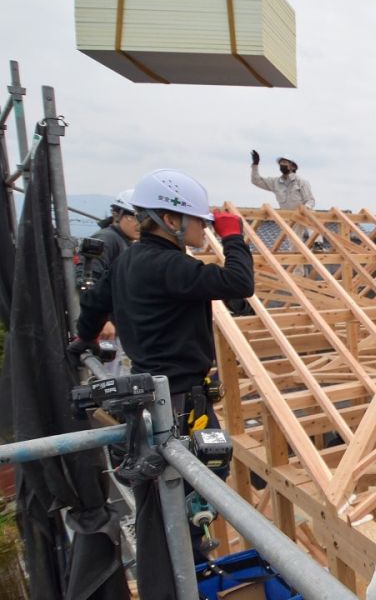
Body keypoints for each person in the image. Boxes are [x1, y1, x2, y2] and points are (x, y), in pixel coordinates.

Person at [71, 169, 255, 559]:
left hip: (150, 393)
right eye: (198, 222)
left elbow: (93, 306)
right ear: (171, 220)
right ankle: (191, 560)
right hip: (179, 400)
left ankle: (184, 553)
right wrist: (233, 236)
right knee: (201, 476)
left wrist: (84, 339)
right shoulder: (170, 266)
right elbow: (239, 284)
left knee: (175, 483)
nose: (204, 230)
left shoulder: (127, 261)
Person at [86, 190, 140, 374]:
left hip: (119, 326)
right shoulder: (108, 239)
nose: (139, 224)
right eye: (134, 217)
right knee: (114, 379)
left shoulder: (123, 241)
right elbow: (88, 280)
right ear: (118, 215)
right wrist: (103, 320)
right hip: (108, 329)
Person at [249, 151, 315, 210]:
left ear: (293, 167)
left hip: (302, 221)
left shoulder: (301, 182)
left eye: (285, 162)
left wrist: (305, 209)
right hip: (285, 221)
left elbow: (310, 201)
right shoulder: (275, 182)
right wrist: (255, 165)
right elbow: (256, 181)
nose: (282, 165)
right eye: (280, 163)